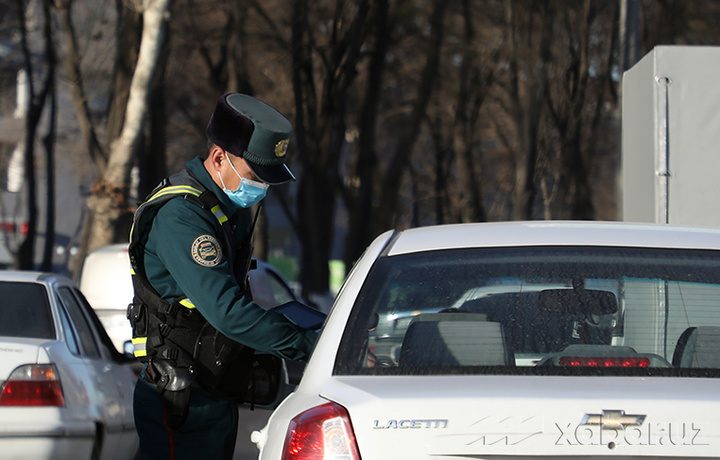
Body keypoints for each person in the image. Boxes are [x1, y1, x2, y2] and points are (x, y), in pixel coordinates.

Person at [127, 93, 318, 459]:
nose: (260, 189)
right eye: (254, 176)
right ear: (219, 157)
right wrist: (309, 344)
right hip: (180, 401)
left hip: (211, 391)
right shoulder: (183, 217)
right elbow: (228, 312)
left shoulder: (225, 211)